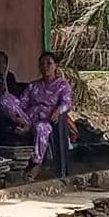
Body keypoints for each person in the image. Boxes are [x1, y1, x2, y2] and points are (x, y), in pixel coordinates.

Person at [18, 51, 73, 180]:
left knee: (41, 128)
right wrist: (18, 116)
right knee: (6, 100)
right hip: (29, 118)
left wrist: (58, 111)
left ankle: (36, 164)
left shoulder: (62, 85)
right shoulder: (33, 86)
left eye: (49, 63)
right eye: (42, 64)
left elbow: (67, 103)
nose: (45, 67)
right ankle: (23, 127)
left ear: (56, 66)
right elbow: (21, 103)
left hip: (47, 121)